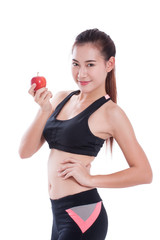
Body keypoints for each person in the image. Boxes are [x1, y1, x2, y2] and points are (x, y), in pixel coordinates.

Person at [19, 28, 153, 240]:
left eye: (90, 64)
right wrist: (43, 111)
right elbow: (24, 152)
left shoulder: (111, 113)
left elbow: (144, 173)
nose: (81, 74)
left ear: (109, 64)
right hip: (58, 214)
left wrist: (91, 179)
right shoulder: (62, 97)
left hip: (83, 214)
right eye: (76, 64)